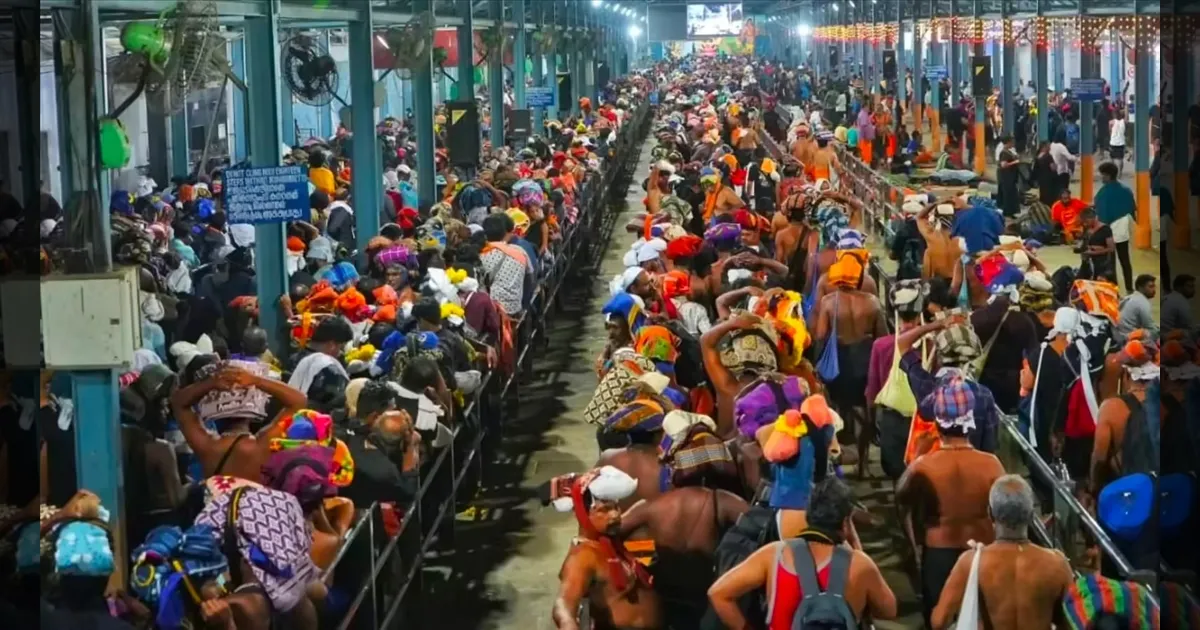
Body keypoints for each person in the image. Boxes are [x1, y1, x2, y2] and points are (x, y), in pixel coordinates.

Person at [707, 478, 898, 629]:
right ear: (845, 522)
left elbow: (718, 594)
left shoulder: (774, 554)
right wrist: (854, 541)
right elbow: (889, 610)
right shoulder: (859, 564)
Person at [896, 373, 1006, 629]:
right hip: (981, 552)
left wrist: (916, 549)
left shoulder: (924, 466)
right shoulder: (991, 465)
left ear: (937, 420)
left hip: (938, 555)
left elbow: (902, 504)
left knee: (939, 619)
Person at [930, 475, 1074, 630]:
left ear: (990, 514)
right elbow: (1072, 622)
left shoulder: (971, 561)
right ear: (1032, 516)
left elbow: (939, 622)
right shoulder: (1057, 563)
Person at [552, 467, 662, 630]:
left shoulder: (609, 541)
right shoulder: (583, 556)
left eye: (616, 507)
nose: (615, 515)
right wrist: (567, 622)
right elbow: (563, 604)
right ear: (583, 513)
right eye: (604, 510)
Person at [1092, 162, 1136, 291]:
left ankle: (1113, 290)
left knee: (1110, 263)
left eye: (1102, 175)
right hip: (1122, 228)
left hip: (1108, 230)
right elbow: (1132, 207)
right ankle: (1129, 288)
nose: (1101, 178)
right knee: (1125, 260)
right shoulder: (1126, 190)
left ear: (1108, 175)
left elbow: (1100, 211)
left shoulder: (1103, 193)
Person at [1114, 275, 1158, 344]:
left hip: (1118, 335)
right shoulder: (1142, 302)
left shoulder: (1129, 297)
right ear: (1140, 288)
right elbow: (1150, 327)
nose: (1154, 289)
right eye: (1150, 287)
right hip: (1127, 339)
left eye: (1154, 286)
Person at [1077, 208, 1116, 282]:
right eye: (1084, 222)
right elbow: (1084, 244)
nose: (1085, 224)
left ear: (1093, 218)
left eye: (1086, 221)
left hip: (1102, 264)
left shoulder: (1105, 229)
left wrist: (1096, 252)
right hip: (1088, 262)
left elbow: (1111, 248)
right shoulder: (1087, 228)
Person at [996, 135, 1021, 218]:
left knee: (1011, 194)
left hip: (1011, 177)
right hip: (1007, 178)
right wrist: (1014, 162)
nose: (1013, 143)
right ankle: (1007, 212)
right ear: (1008, 142)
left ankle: (1010, 212)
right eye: (1012, 141)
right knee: (1008, 194)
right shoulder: (1004, 153)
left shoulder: (1009, 151)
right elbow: (1003, 165)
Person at [1108, 109, 1127, 175]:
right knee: (1120, 158)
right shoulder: (1124, 122)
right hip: (1121, 142)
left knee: (1112, 158)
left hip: (1113, 142)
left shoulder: (1111, 122)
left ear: (1113, 115)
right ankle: (1120, 172)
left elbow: (1110, 132)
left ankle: (1112, 172)